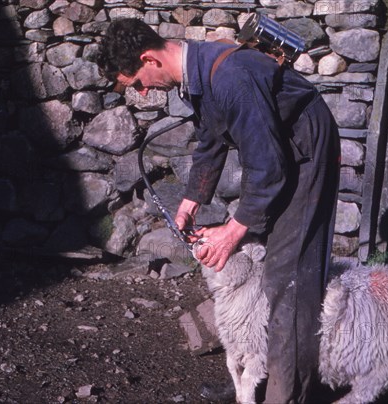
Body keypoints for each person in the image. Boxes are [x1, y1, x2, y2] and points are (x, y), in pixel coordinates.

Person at [97, 18, 340, 403]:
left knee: (288, 280)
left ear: (149, 59)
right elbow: (212, 138)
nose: (142, 94)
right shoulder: (197, 73)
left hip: (305, 149)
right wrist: (193, 198)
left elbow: (268, 168)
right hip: (276, 151)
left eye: (137, 83)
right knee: (255, 274)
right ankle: (252, 379)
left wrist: (233, 230)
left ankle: (285, 395)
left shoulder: (229, 78)